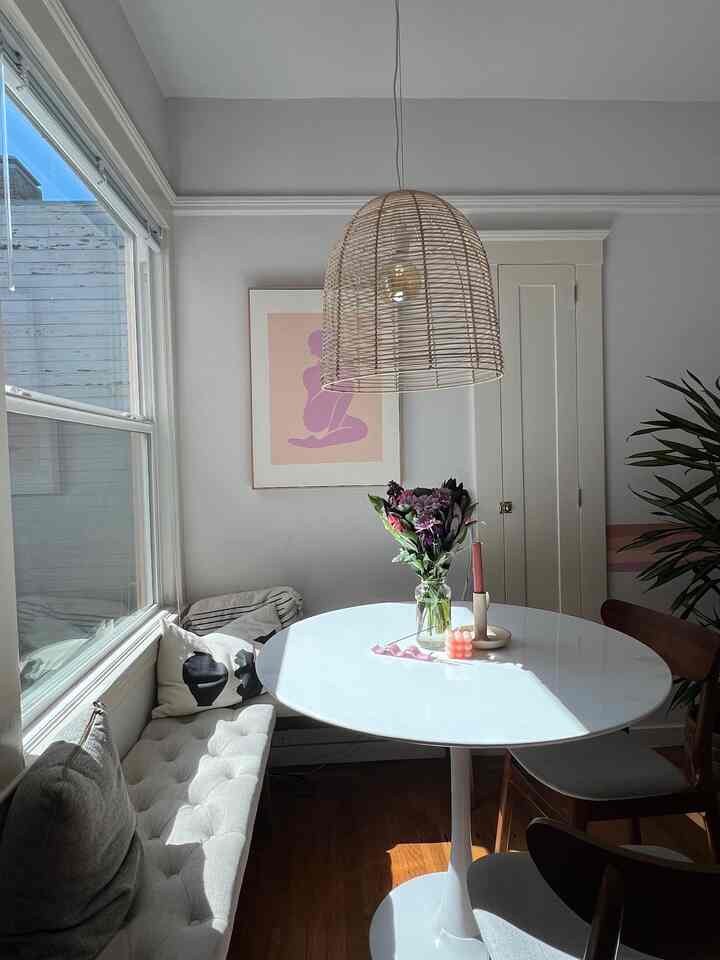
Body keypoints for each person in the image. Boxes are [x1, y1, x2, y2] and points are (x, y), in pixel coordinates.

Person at [288, 329, 368, 448]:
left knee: (362, 429)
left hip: (333, 415)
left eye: (312, 347)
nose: (311, 352)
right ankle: (331, 431)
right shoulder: (310, 373)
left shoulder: (339, 369)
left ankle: (320, 442)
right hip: (314, 417)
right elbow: (326, 390)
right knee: (346, 383)